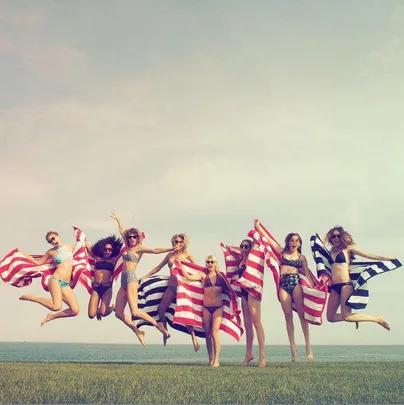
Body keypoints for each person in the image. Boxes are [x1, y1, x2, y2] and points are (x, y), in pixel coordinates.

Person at [111, 213, 179, 345]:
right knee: (118, 313)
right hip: (123, 280)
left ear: (137, 238)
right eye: (129, 237)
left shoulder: (139, 248)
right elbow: (121, 231)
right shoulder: (127, 246)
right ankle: (137, 331)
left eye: (134, 237)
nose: (131, 239)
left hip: (131, 278)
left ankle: (158, 324)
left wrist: (170, 248)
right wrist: (118, 219)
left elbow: (155, 250)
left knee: (135, 312)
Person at [325, 226, 395, 330]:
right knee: (330, 318)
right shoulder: (330, 251)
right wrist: (327, 236)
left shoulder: (347, 249)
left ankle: (377, 319)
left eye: (338, 236)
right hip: (334, 287)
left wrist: (385, 258)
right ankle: (356, 317)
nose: (336, 238)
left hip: (345, 285)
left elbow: (367, 255)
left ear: (342, 237)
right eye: (333, 236)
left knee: (347, 316)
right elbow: (319, 244)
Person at [141, 233, 200, 351]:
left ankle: (194, 338)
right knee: (160, 310)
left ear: (184, 243)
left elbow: (197, 268)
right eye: (175, 242)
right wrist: (144, 277)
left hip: (183, 287)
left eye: (180, 242)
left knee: (184, 313)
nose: (177, 244)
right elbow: (158, 268)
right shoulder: (170, 255)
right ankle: (165, 332)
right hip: (172, 286)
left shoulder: (187, 254)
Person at [265, 232, 315, 361]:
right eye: (292, 240)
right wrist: (258, 227)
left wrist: (312, 288)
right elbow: (271, 242)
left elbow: (307, 274)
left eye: (297, 241)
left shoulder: (301, 257)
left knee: (301, 314)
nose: (294, 243)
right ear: (288, 242)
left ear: (299, 243)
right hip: (283, 284)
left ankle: (308, 347)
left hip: (295, 283)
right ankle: (293, 347)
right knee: (288, 316)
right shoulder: (282, 253)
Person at [18, 231, 80, 326]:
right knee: (56, 306)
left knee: (75, 310)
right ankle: (33, 298)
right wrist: (22, 253)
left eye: (53, 238)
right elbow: (38, 262)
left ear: (58, 236)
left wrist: (84, 240)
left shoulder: (70, 247)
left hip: (65, 284)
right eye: (50, 241)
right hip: (55, 280)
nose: (53, 241)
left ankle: (51, 316)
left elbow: (81, 251)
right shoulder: (51, 252)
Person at [180, 255, 228, 367]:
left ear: (215, 263)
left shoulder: (221, 276)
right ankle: (210, 359)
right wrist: (180, 265)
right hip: (206, 307)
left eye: (212, 262)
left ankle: (216, 360)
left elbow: (228, 290)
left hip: (218, 308)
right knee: (208, 334)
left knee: (215, 333)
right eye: (207, 262)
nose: (210, 264)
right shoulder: (203, 275)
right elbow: (188, 277)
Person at [228, 239, 266, 368]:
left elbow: (260, 245)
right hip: (244, 293)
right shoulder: (241, 260)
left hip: (253, 291)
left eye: (246, 246)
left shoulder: (253, 259)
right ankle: (248, 354)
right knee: (247, 324)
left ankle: (262, 356)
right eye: (241, 246)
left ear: (251, 247)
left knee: (257, 322)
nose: (243, 248)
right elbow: (234, 253)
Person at [85, 235, 122, 320]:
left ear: (112, 251)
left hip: (107, 289)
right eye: (105, 249)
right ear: (102, 249)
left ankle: (112, 307)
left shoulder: (113, 260)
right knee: (91, 315)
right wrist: (83, 238)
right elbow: (88, 247)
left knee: (102, 313)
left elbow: (124, 250)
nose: (107, 251)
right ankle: (97, 310)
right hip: (96, 288)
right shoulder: (97, 258)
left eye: (110, 250)